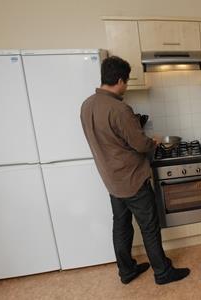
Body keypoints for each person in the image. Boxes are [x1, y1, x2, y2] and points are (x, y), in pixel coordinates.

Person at [80, 56, 190, 285]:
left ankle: (126, 270)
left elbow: (108, 141)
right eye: (126, 82)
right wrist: (155, 142)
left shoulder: (87, 105)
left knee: (120, 225)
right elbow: (140, 144)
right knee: (149, 228)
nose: (126, 87)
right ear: (120, 80)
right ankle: (162, 272)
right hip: (132, 180)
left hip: (111, 181)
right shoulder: (119, 109)